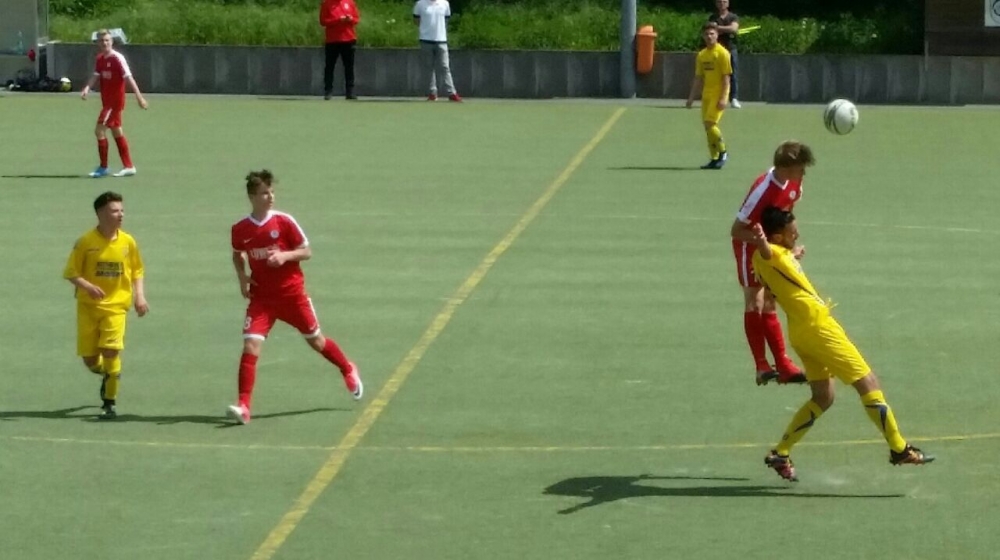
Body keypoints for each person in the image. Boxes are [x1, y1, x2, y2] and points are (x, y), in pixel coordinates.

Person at [749, 207, 934, 481]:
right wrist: (762, 240)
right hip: (820, 329)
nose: (797, 234)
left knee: (823, 397)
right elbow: (768, 252)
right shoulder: (770, 252)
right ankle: (899, 449)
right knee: (868, 383)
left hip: (801, 332)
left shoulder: (769, 259)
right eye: (792, 232)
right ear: (776, 236)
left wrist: (791, 253)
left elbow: (775, 266)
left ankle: (781, 452)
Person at [227, 170, 362, 425]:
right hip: (262, 300)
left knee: (317, 342)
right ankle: (244, 406)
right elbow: (237, 254)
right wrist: (242, 277)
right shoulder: (240, 229)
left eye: (272, 192)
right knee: (250, 346)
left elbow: (306, 251)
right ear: (252, 197)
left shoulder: (284, 222)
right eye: (264, 193)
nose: (270, 197)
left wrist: (284, 256)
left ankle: (347, 368)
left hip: (292, 297)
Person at [730, 141, 813, 386]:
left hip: (771, 245)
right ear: (786, 168)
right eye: (800, 168)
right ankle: (761, 365)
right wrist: (763, 243)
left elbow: (784, 218)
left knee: (770, 301)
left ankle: (783, 365)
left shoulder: (795, 183)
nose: (804, 172)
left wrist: (786, 249)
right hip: (748, 246)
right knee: (754, 302)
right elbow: (736, 230)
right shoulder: (762, 190)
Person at [63, 191, 149, 420]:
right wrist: (88, 286)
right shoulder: (85, 242)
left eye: (122, 210)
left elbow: (137, 270)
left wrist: (140, 296)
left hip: (116, 307)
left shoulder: (128, 242)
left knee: (111, 352)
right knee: (91, 360)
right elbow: (71, 272)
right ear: (100, 213)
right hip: (88, 308)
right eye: (114, 211)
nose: (120, 215)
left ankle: (109, 403)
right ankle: (109, 374)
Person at [80, 29, 148, 178]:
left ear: (112, 42)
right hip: (107, 102)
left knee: (99, 131)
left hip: (114, 103)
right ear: (98, 43)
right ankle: (129, 166)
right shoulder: (100, 59)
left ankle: (103, 167)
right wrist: (87, 88)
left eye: (107, 40)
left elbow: (129, 78)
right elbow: (96, 75)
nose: (104, 43)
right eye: (102, 41)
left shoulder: (118, 58)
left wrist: (139, 97)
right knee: (117, 131)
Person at [685, 23, 730, 169]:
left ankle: (723, 152)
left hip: (718, 93)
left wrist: (724, 98)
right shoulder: (702, 55)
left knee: (710, 123)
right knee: (707, 127)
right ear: (703, 36)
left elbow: (726, 78)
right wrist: (691, 98)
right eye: (707, 34)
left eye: (712, 34)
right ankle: (714, 157)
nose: (709, 37)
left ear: (717, 35)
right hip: (707, 94)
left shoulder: (723, 53)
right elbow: (698, 78)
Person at [413, 0, 462, 102]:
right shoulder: (420, 4)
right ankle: (432, 93)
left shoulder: (445, 4)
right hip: (425, 40)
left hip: (441, 40)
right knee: (429, 68)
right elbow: (416, 20)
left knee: (445, 67)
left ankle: (452, 93)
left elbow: (446, 20)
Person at [319, 0, 360, 100]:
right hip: (332, 40)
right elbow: (323, 21)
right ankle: (328, 91)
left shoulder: (350, 2)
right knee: (329, 66)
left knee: (349, 67)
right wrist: (338, 20)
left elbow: (356, 19)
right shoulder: (326, 3)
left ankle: (350, 92)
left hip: (348, 38)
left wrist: (350, 19)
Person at [708, 0, 741, 108]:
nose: (722, 4)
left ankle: (734, 98)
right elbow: (711, 31)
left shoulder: (733, 17)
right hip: (716, 50)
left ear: (728, 3)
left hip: (730, 49)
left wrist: (718, 28)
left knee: (733, 73)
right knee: (717, 74)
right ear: (716, 4)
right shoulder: (713, 17)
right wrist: (726, 29)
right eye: (719, 2)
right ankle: (718, 97)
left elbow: (733, 28)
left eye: (724, 2)